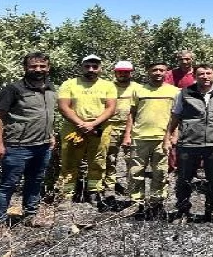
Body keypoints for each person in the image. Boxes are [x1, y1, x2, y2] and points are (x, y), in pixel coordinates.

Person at [0, 52, 57, 241]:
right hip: (18, 146)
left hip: (42, 146)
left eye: (42, 66)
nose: (38, 70)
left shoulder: (51, 87)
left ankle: (30, 216)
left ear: (48, 68)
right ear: (25, 68)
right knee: (8, 185)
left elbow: (46, 114)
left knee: (35, 182)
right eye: (33, 66)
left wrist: (50, 135)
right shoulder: (13, 89)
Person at [165, 64, 213, 224]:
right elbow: (175, 116)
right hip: (189, 142)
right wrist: (168, 137)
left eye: (208, 73)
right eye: (201, 74)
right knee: (184, 179)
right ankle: (182, 210)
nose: (205, 76)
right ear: (195, 76)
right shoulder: (185, 93)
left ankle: (212, 209)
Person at [57, 54, 117, 207]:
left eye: (95, 67)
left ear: (100, 69)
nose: (91, 69)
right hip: (73, 128)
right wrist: (81, 124)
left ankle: (94, 191)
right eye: (87, 66)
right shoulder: (69, 84)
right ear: (82, 67)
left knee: (97, 160)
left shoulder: (108, 85)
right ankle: (67, 194)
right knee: (69, 160)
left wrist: (93, 124)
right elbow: (63, 107)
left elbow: (111, 108)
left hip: (100, 128)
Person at [122, 62, 179, 217]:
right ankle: (136, 202)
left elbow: (177, 116)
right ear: (148, 71)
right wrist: (127, 135)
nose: (158, 72)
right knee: (135, 171)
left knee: (160, 172)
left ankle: (156, 202)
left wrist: (174, 135)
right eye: (154, 70)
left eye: (162, 70)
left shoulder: (174, 92)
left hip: (163, 139)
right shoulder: (138, 90)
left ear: (167, 73)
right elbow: (131, 114)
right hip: (140, 137)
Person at [102, 60, 141, 198]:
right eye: (120, 71)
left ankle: (132, 188)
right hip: (110, 127)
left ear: (131, 73)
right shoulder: (107, 87)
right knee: (110, 158)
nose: (123, 74)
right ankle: (110, 187)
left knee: (131, 160)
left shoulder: (138, 88)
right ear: (115, 72)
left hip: (131, 128)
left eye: (126, 72)